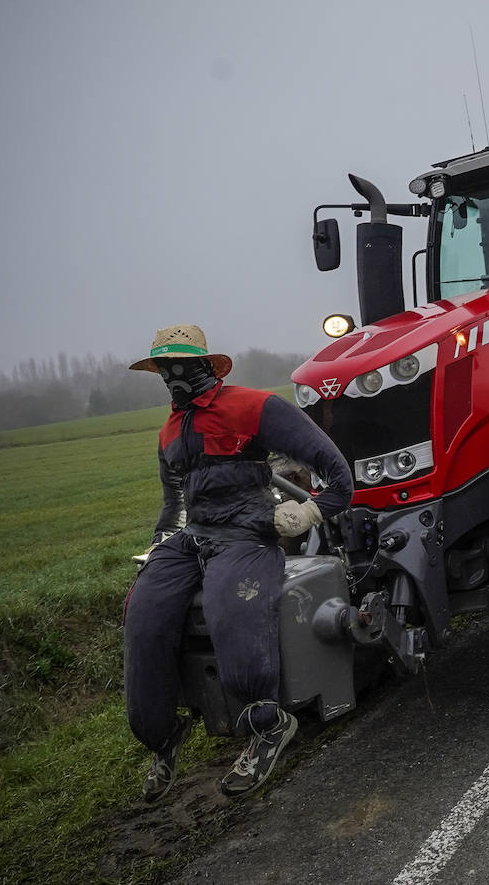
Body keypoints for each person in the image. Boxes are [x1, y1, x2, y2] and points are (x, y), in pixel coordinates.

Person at [123, 324, 353, 803]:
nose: (173, 377)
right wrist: (158, 549)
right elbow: (173, 506)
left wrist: (310, 511)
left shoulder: (255, 407)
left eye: (181, 366)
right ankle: (161, 739)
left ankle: (269, 725)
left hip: (246, 531)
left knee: (232, 609)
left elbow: (337, 474)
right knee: (143, 614)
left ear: (207, 366)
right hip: (194, 536)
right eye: (165, 369)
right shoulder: (170, 431)